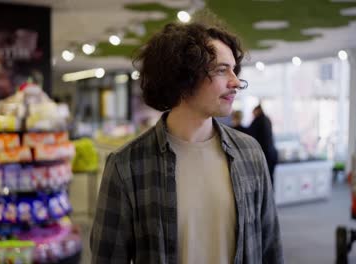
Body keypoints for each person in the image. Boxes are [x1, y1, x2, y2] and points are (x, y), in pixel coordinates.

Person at [90, 22, 283, 264]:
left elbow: (270, 250)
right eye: (222, 70)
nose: (235, 82)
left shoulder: (250, 153)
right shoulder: (126, 166)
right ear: (183, 76)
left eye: (234, 70)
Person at [249, 104, 278, 186]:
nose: (253, 115)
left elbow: (248, 134)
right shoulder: (267, 119)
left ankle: (266, 198)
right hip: (272, 154)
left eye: (253, 113)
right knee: (270, 178)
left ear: (257, 111)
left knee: (263, 181)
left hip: (264, 155)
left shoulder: (258, 120)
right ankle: (270, 197)